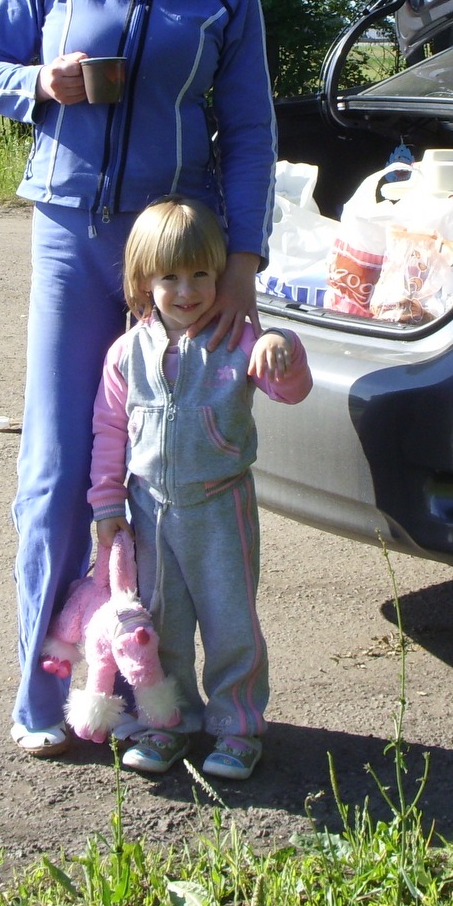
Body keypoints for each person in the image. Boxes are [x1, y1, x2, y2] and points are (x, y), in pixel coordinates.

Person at [0, 0, 279, 759]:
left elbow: (252, 134)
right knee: (60, 471)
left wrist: (241, 266)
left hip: (175, 259)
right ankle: (43, 690)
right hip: (71, 236)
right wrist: (39, 85)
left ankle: (162, 698)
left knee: (173, 479)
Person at [87, 197, 311, 780]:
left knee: (231, 623)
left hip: (220, 508)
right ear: (143, 282)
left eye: (201, 276)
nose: (187, 292)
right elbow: (110, 430)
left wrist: (280, 351)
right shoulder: (125, 354)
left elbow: (291, 391)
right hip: (149, 511)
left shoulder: (238, 342)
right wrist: (107, 503)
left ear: (219, 277)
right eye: (170, 278)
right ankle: (171, 723)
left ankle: (237, 729)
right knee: (162, 627)